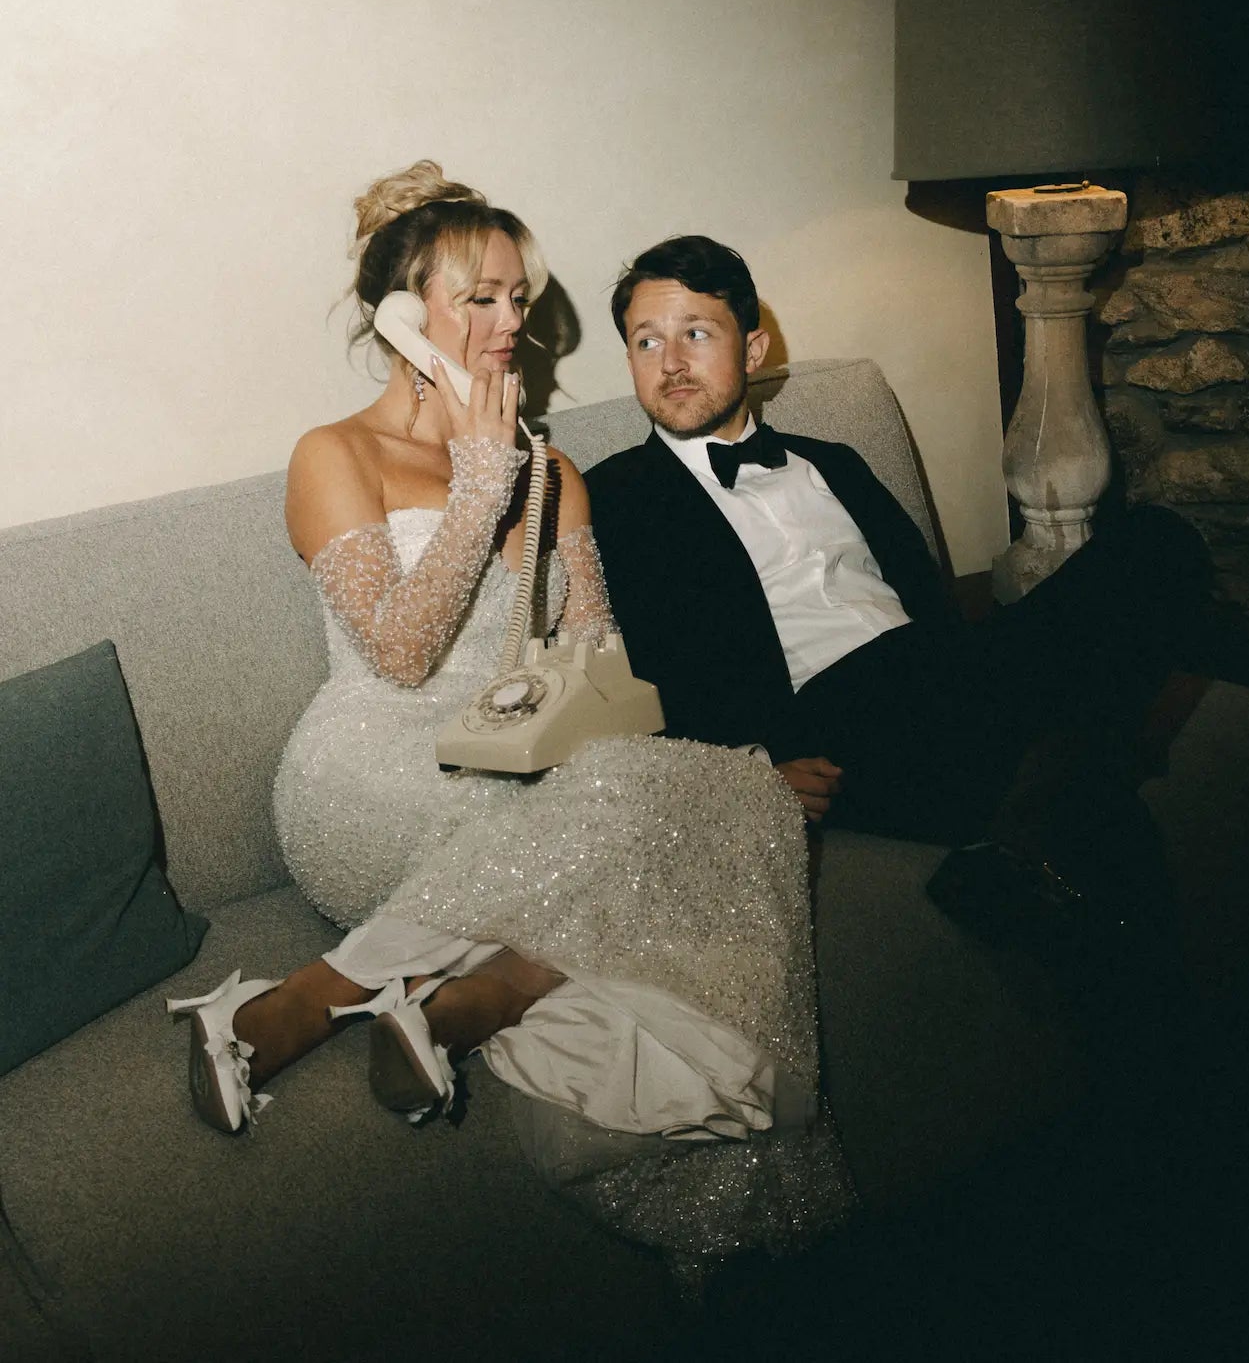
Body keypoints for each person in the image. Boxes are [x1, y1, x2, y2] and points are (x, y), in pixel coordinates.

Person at [166, 166, 849, 1259]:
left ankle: (477, 998)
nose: (509, 324)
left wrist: (701, 780)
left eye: (517, 297)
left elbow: (598, 669)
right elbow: (399, 656)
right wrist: (480, 485)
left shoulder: (555, 473)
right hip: (366, 772)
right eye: (478, 298)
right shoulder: (334, 456)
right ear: (402, 317)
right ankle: (336, 995)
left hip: (513, 767)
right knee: (665, 821)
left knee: (729, 802)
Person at [585, 235, 1219, 938]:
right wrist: (750, 772)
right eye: (647, 342)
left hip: (941, 680)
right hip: (825, 724)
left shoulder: (836, 463)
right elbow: (619, 675)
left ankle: (1031, 832)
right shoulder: (611, 499)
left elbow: (927, 602)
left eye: (696, 334)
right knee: (1065, 737)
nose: (671, 362)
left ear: (754, 350)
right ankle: (1062, 799)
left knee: (1157, 542)